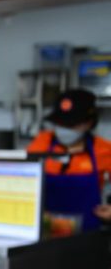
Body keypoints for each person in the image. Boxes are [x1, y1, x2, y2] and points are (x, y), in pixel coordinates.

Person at [26, 88, 111, 230]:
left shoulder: (103, 149)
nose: (63, 128)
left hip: (87, 235)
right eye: (59, 123)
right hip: (45, 233)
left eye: (70, 124)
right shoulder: (42, 142)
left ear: (89, 123)